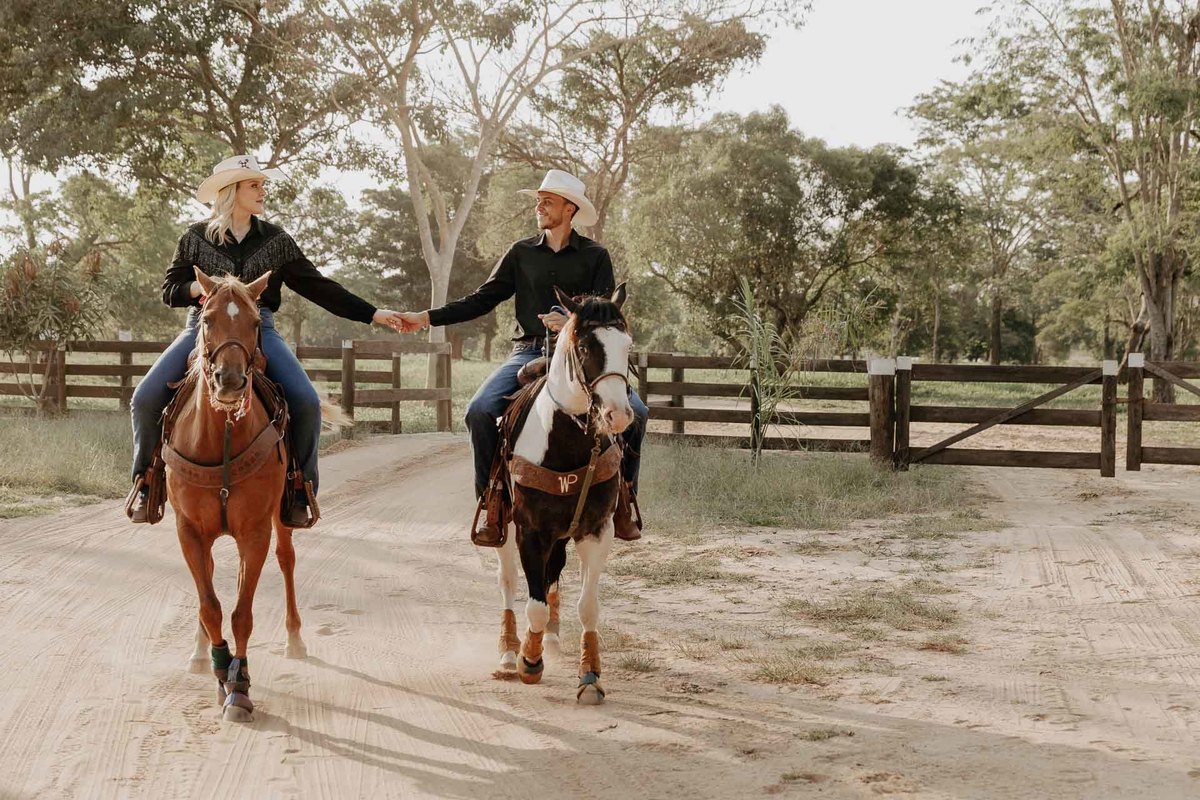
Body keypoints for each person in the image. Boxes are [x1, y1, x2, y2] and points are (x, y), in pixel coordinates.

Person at [127, 154, 405, 526]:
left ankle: (301, 490)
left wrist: (373, 313)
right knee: (144, 399)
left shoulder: (276, 241)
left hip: (261, 328)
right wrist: (200, 288)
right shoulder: (194, 238)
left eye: (262, 185)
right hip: (203, 327)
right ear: (232, 191)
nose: (263, 191)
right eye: (254, 185)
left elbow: (318, 286)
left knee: (306, 402)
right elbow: (169, 290)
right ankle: (147, 483)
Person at [395, 169, 647, 545]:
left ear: (570, 208)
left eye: (547, 201)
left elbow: (604, 314)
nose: (539, 206)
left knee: (638, 413)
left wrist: (571, 323)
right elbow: (481, 299)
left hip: (580, 356)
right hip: (528, 349)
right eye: (538, 200)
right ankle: (491, 504)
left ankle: (624, 500)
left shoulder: (596, 256)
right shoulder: (520, 253)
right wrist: (426, 317)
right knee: (478, 411)